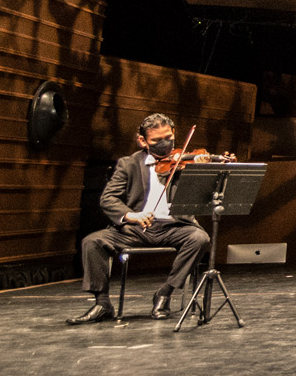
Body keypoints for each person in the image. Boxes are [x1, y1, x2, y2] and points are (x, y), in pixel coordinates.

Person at [68, 114, 212, 324]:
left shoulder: (185, 162)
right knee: (92, 241)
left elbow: (202, 197)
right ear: (142, 141)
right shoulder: (128, 165)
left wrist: (202, 170)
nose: (164, 144)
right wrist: (130, 215)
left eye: (168, 138)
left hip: (175, 227)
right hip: (137, 228)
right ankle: (102, 303)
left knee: (200, 238)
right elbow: (108, 199)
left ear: (174, 134)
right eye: (156, 141)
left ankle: (164, 293)